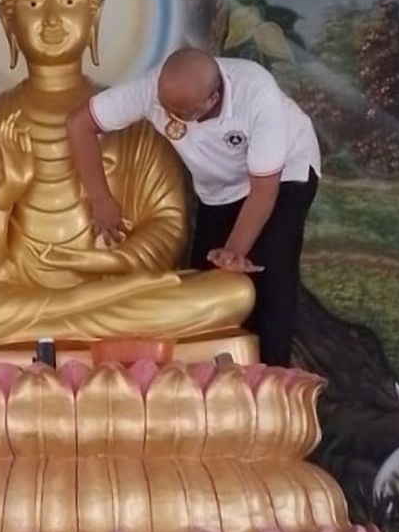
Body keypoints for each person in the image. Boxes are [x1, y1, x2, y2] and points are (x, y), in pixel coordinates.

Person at [65, 47, 321, 366]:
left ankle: (271, 379)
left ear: (212, 99)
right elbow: (79, 124)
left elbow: (263, 191)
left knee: (270, 276)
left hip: (284, 174)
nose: (167, 114)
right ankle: (213, 383)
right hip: (218, 190)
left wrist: (234, 250)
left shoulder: (257, 94)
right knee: (205, 286)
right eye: (164, 105)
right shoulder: (154, 89)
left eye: (180, 111)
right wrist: (101, 200)